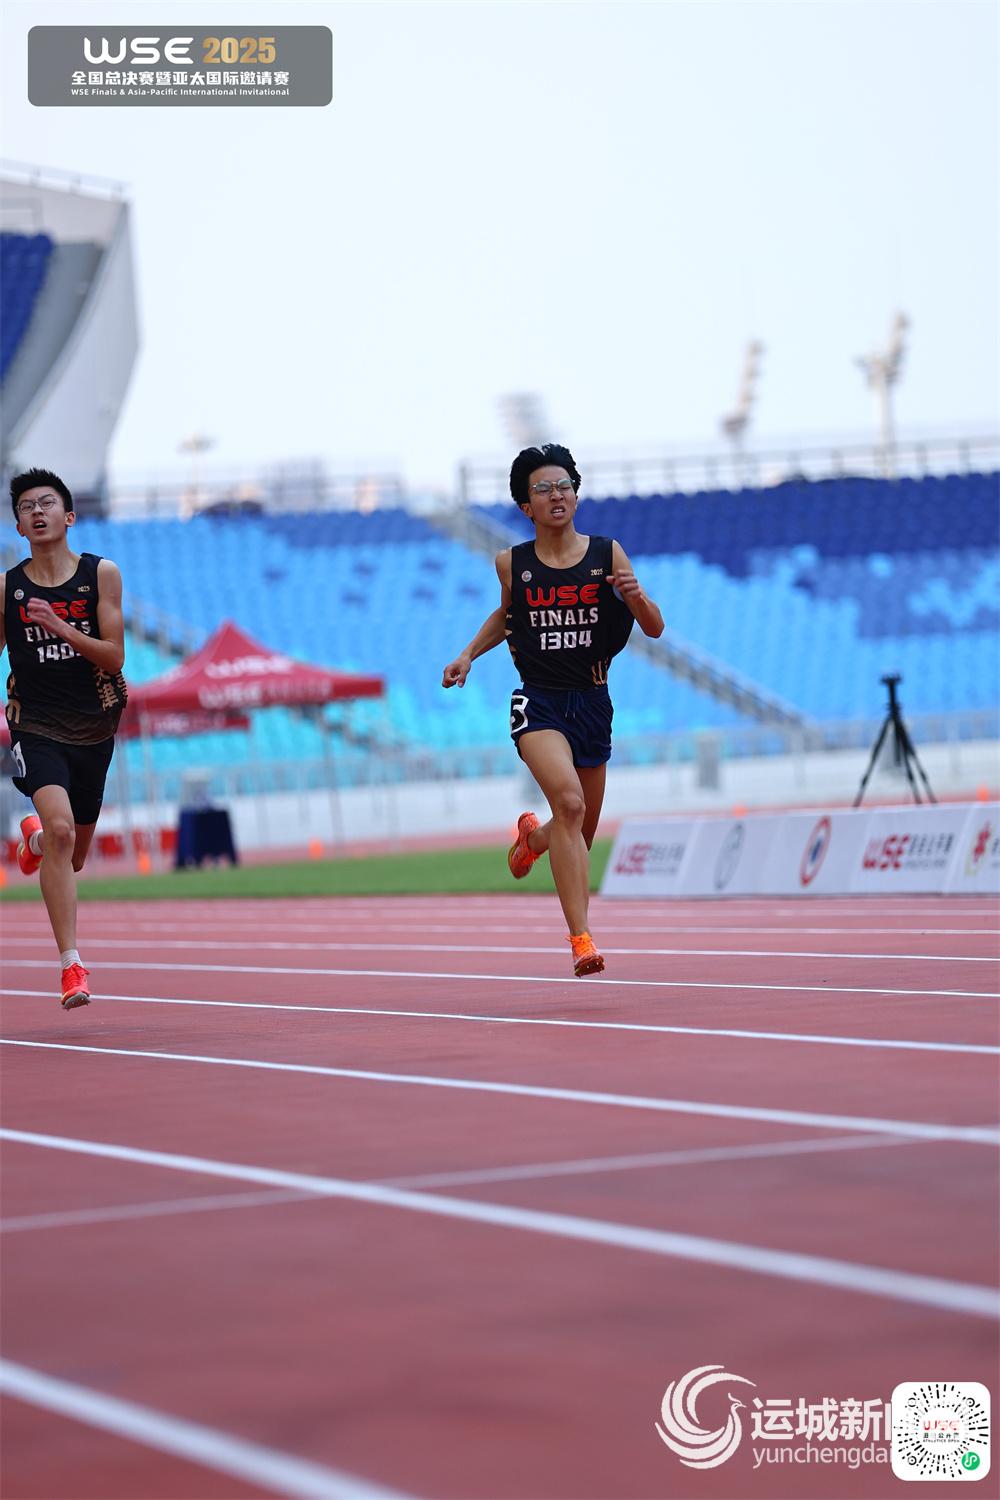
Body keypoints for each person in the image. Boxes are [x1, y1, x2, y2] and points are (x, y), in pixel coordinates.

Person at [442, 443, 664, 976]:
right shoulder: (512, 564)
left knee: (575, 832)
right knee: (568, 802)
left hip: (593, 700)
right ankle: (581, 941)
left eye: (564, 485)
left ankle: (533, 839)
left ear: (576, 495)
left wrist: (634, 596)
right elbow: (507, 616)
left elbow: (654, 628)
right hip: (538, 701)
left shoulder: (608, 554)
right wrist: (468, 654)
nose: (556, 495)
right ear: (526, 506)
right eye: (543, 489)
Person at [1, 469, 128, 1008]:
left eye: (47, 503)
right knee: (60, 830)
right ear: (18, 525)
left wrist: (60, 627)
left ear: (69, 516)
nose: (37, 511)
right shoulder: (7, 588)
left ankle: (30, 843)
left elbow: (114, 657)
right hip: (35, 724)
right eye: (27, 506)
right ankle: (71, 966)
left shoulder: (101, 574)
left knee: (69, 855)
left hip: (95, 726)